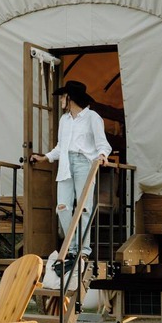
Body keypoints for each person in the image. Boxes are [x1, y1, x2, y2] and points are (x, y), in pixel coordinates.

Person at [29, 80, 111, 265]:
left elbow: (103, 144)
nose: (61, 100)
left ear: (70, 98)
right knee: (63, 207)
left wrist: (102, 155)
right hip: (66, 163)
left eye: (63, 97)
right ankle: (72, 247)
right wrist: (45, 157)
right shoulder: (64, 120)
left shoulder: (92, 117)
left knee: (83, 208)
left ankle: (83, 250)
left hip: (84, 163)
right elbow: (61, 147)